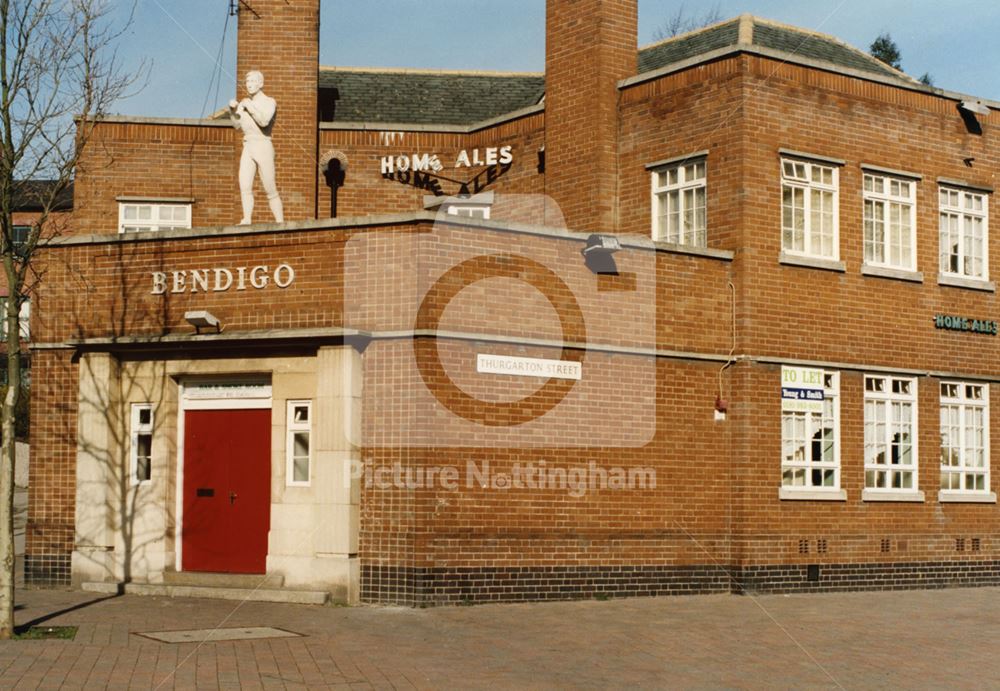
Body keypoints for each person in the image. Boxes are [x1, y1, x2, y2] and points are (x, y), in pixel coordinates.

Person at [229, 71, 284, 224]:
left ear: (260, 84)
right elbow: (236, 125)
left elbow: (264, 121)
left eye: (253, 81)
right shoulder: (244, 102)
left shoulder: (269, 101)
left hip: (263, 144)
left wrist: (250, 107)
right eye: (247, 82)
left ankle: (280, 221)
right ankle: (247, 218)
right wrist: (232, 111)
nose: (249, 84)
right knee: (244, 184)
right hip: (248, 144)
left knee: (269, 186)